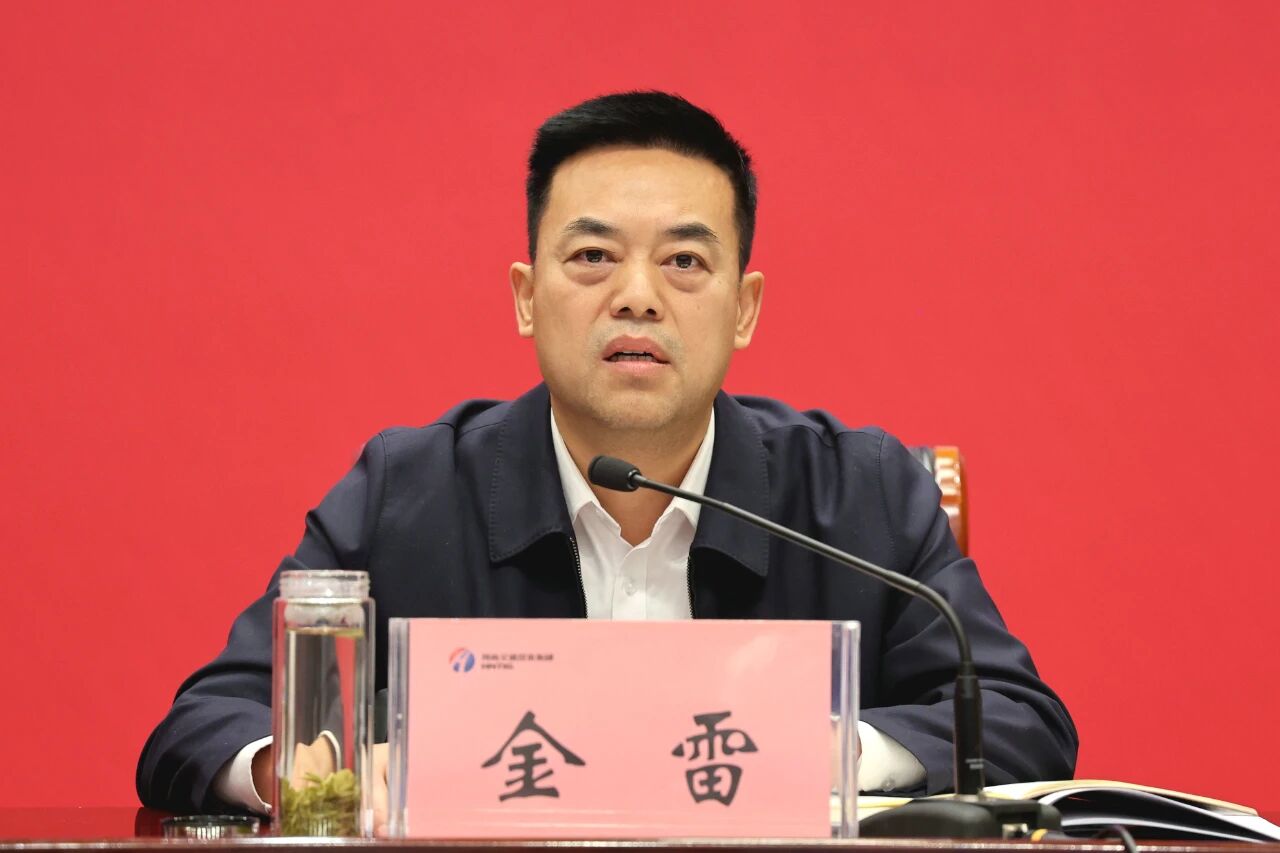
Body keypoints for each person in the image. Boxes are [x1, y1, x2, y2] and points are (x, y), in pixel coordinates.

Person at [137, 91, 1077, 820]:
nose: (637, 296)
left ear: (744, 308)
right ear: (526, 297)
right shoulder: (407, 492)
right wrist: (302, 769)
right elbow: (206, 723)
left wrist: (831, 751)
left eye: (684, 262)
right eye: (592, 257)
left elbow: (1019, 718)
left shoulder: (859, 493)